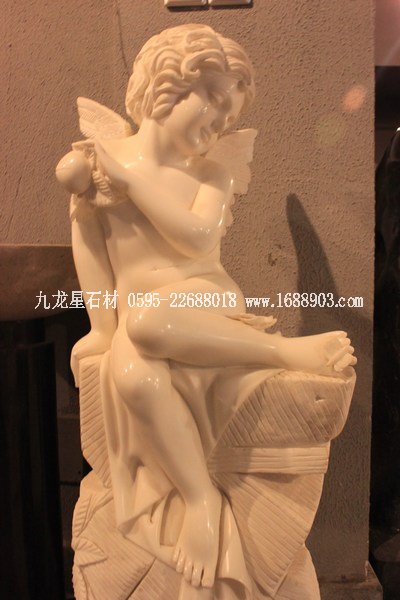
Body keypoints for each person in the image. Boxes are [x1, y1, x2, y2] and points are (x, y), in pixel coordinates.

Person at [64, 24, 356, 589]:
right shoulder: (103, 164)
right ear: (165, 87)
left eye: (230, 115)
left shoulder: (211, 174)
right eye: (216, 102)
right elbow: (91, 245)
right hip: (144, 327)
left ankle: (286, 351)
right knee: (131, 372)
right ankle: (199, 498)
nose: (221, 123)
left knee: (147, 322)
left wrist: (129, 181)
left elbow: (198, 239)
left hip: (205, 303)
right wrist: (101, 326)